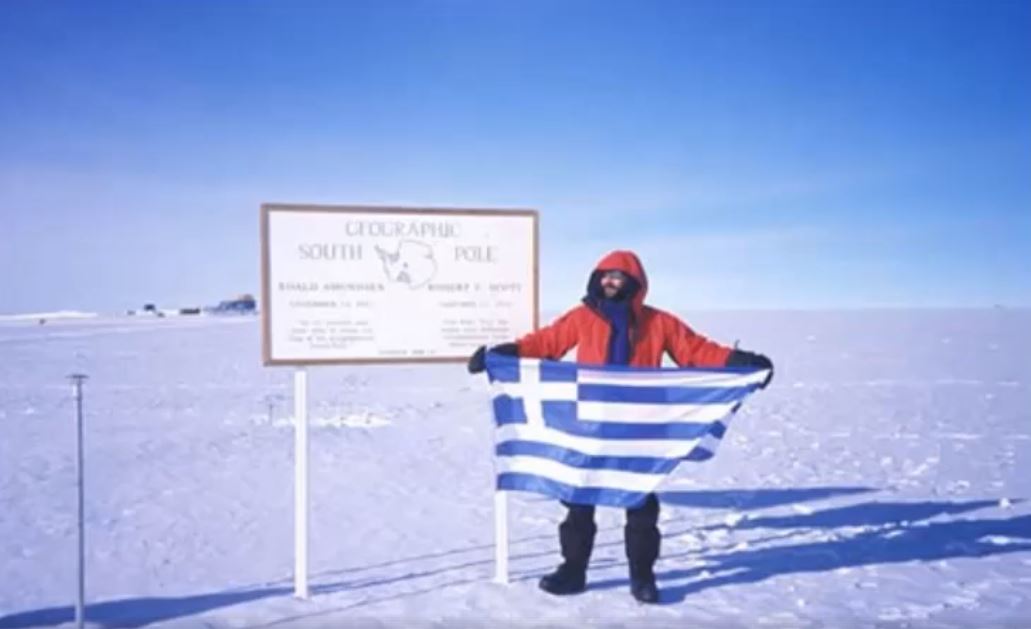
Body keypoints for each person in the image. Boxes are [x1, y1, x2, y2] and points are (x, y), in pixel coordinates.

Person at [468, 249, 773, 604]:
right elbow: (545, 344)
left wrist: (740, 361)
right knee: (579, 501)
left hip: (639, 430)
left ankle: (642, 576)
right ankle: (573, 571)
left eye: (618, 276)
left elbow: (696, 350)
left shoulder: (660, 323)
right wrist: (503, 354)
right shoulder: (581, 317)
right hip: (590, 427)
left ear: (635, 283)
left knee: (641, 506)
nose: (610, 282)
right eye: (605, 275)